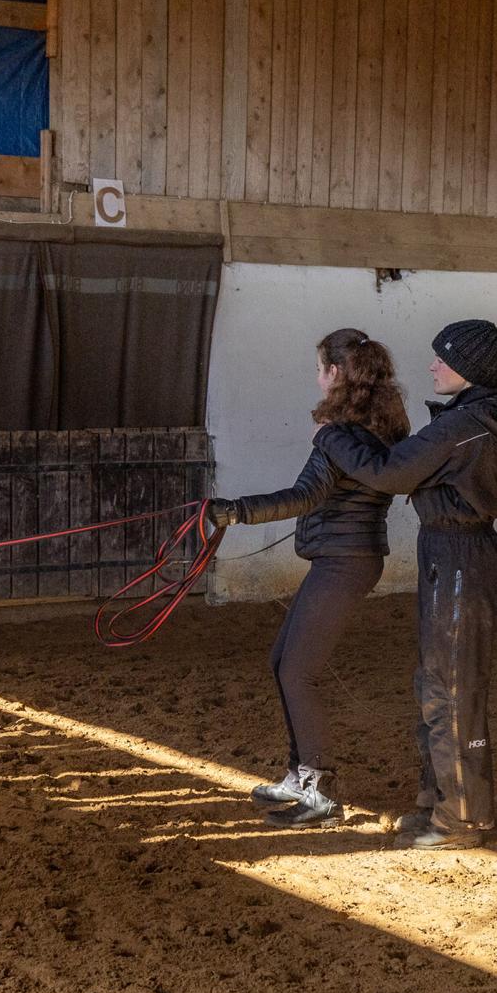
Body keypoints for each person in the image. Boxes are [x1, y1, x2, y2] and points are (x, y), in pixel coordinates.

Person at [312, 319, 497, 850]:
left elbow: (391, 473)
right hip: (451, 552)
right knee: (438, 684)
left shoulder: (465, 424)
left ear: (469, 369)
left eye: (442, 358)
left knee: (451, 688)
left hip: (460, 558)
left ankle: (463, 816)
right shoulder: (471, 419)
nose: (432, 366)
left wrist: (333, 438)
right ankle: (439, 802)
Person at [207, 328, 410, 829]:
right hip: (344, 558)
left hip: (345, 561)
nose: (316, 377)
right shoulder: (372, 429)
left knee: (299, 671)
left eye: (320, 368)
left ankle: (318, 787)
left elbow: (304, 496)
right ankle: (300, 774)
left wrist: (234, 512)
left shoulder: (337, 436)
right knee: (284, 661)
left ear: (335, 373)